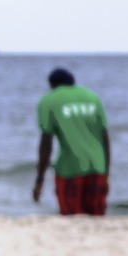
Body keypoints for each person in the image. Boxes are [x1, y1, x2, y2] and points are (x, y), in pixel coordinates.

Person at [33, 68, 110, 215]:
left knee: (71, 215)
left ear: (52, 85)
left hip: (70, 168)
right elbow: (105, 138)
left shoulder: (48, 100)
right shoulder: (93, 98)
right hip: (98, 166)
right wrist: (106, 173)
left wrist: (40, 180)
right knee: (97, 216)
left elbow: (46, 144)